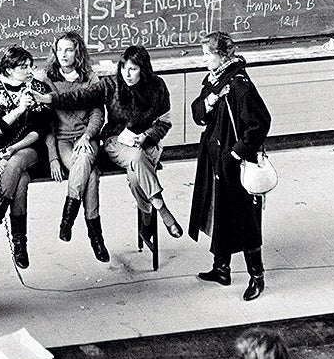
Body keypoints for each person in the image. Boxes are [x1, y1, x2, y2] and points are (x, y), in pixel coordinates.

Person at [33, 44, 182, 248]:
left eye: (133, 69)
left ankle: (147, 219)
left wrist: (146, 136)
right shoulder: (111, 84)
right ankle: (162, 209)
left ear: (144, 69)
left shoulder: (158, 86)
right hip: (117, 142)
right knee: (136, 158)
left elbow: (164, 122)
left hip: (146, 143)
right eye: (123, 68)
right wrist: (49, 98)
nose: (127, 74)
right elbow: (80, 96)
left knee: (136, 177)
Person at [188, 31, 272, 301]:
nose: (204, 60)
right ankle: (221, 269)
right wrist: (211, 100)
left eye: (207, 55)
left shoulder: (238, 84)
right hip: (215, 159)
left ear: (222, 56)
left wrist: (236, 154)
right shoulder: (216, 80)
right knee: (219, 211)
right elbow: (198, 113)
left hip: (232, 163)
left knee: (245, 219)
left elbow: (260, 123)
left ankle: (256, 277)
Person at [0, 45, 53, 269]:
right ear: (9, 69)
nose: (30, 70)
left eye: (32, 65)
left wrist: (14, 149)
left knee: (17, 161)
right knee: (20, 180)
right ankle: (20, 244)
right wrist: (19, 109)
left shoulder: (38, 88)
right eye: (23, 67)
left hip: (30, 149)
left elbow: (39, 130)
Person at [45, 31, 109, 262]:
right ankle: (96, 238)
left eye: (69, 50)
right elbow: (46, 123)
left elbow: (97, 112)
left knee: (84, 163)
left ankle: (68, 218)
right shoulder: (47, 79)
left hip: (86, 138)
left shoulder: (91, 78)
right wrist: (53, 156)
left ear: (77, 52)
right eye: (59, 49)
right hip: (63, 140)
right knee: (90, 175)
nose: (63, 54)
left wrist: (88, 134)